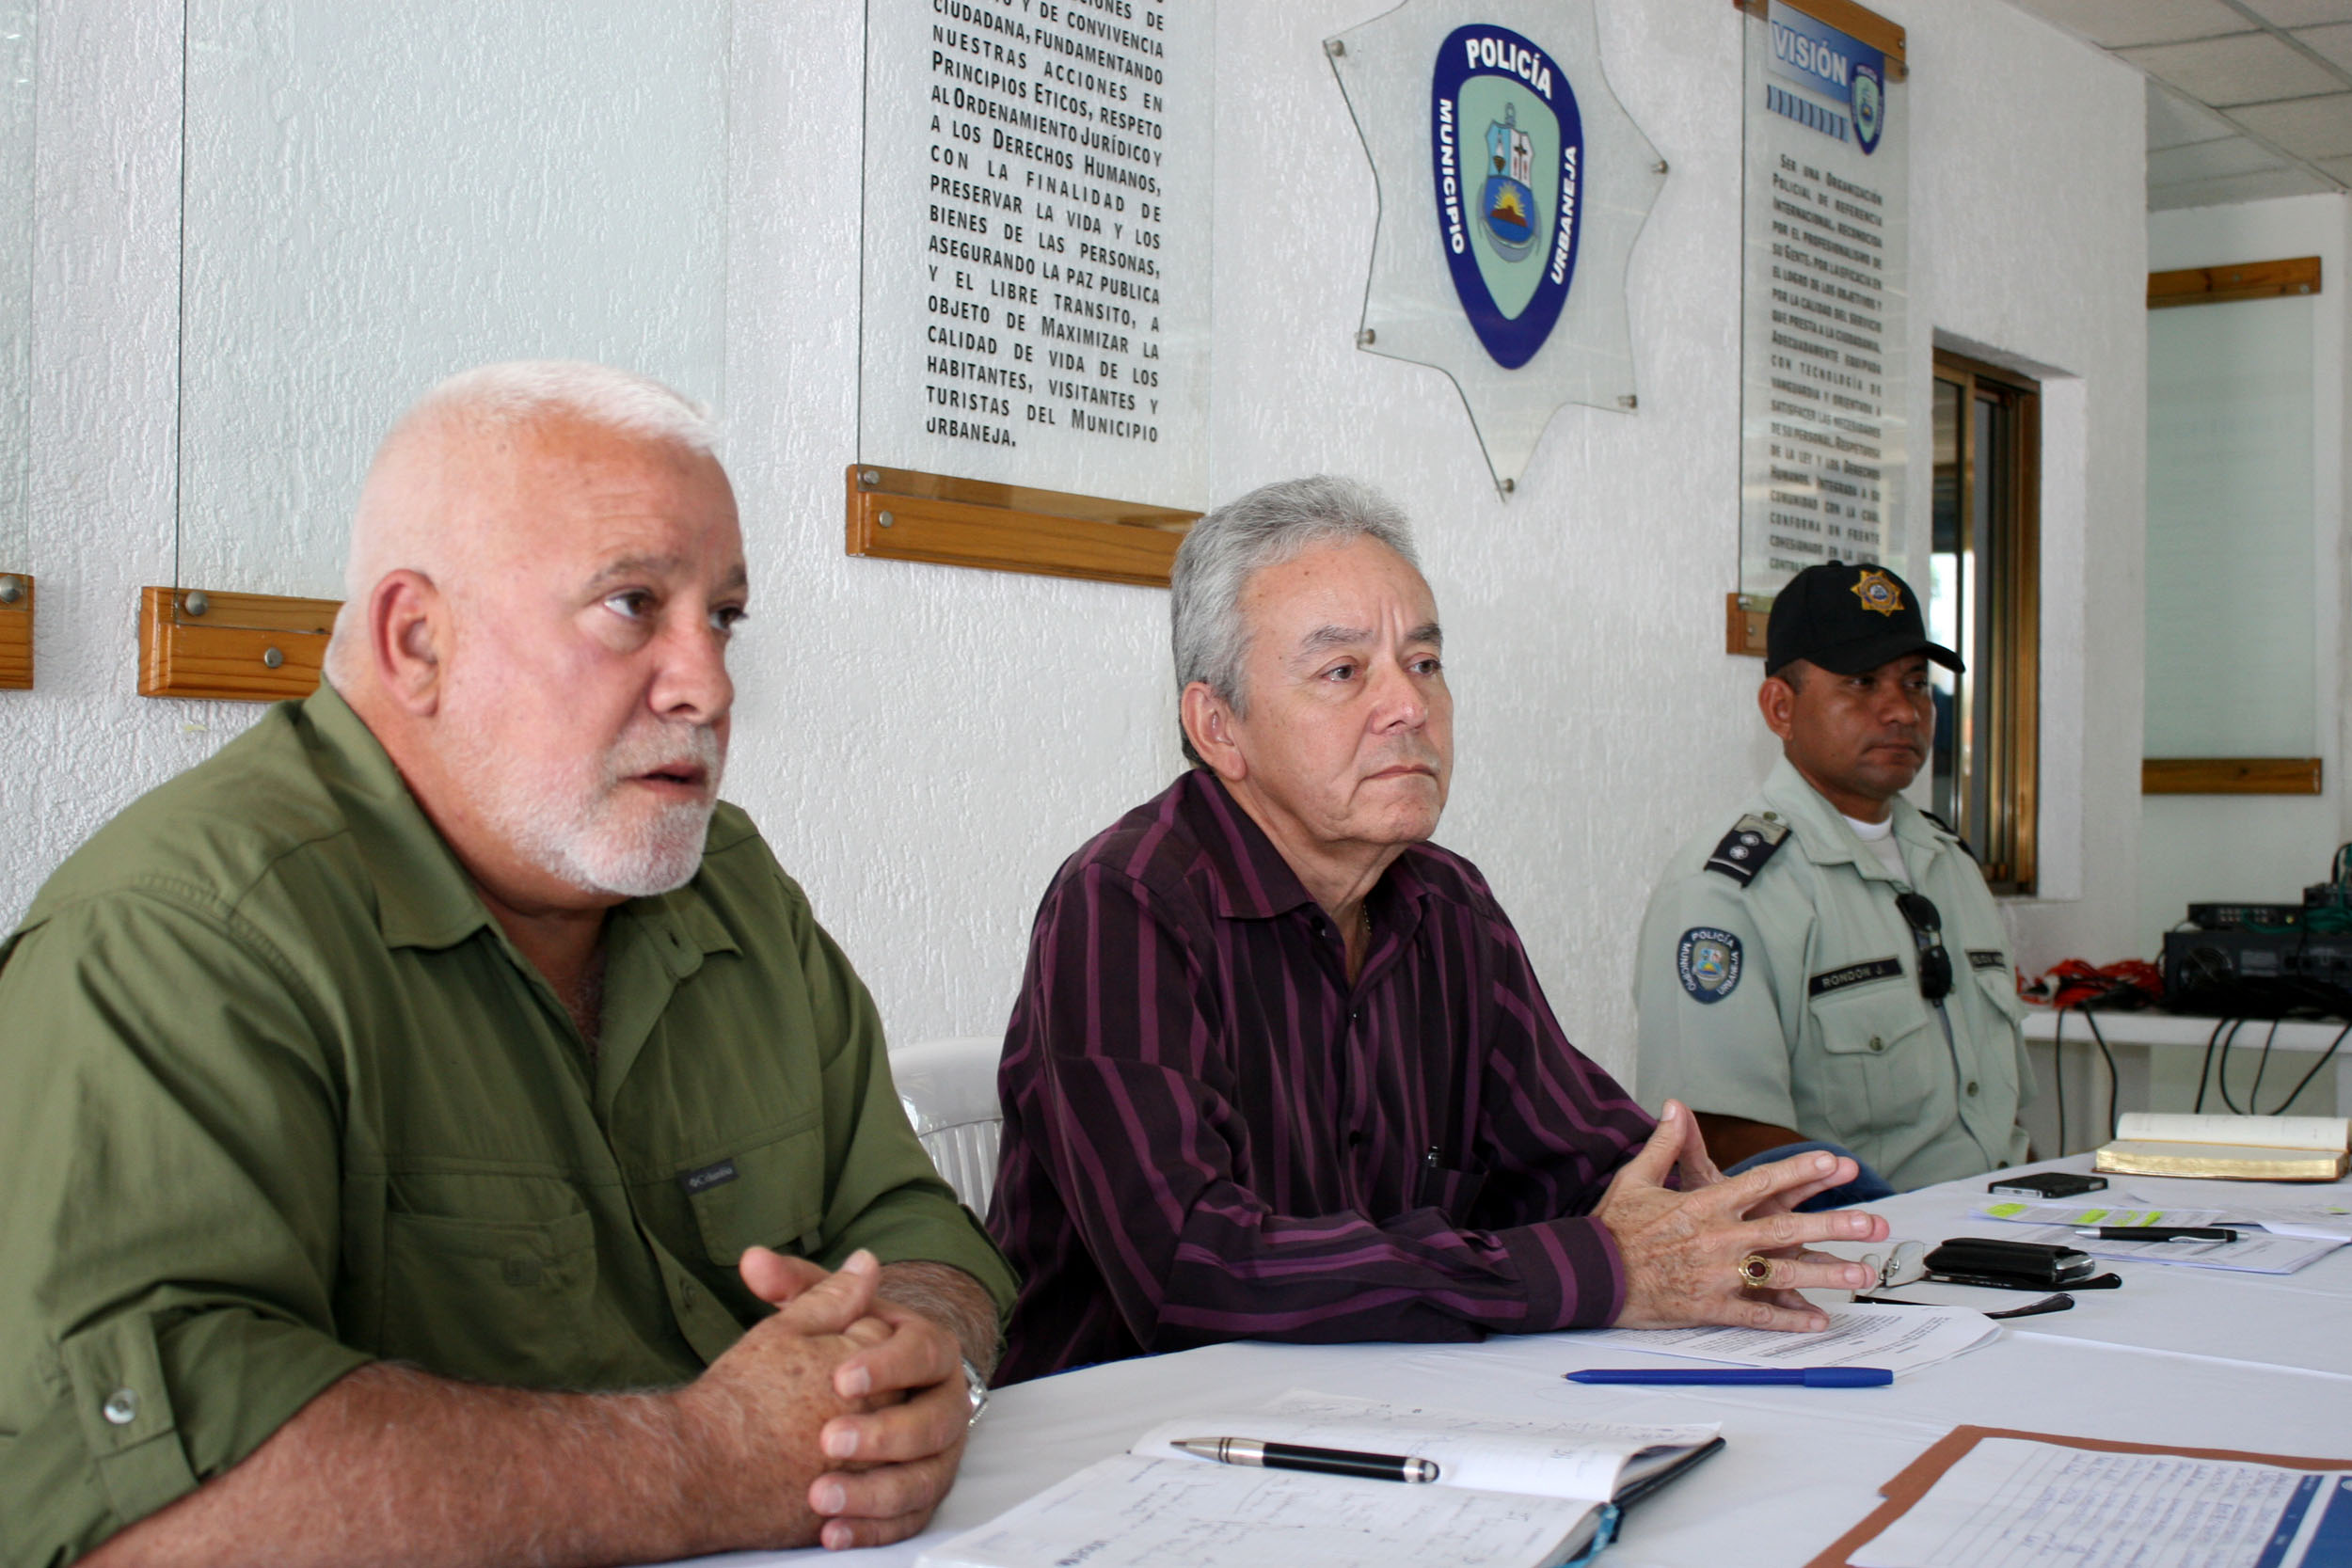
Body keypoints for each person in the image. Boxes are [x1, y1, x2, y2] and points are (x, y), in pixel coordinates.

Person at [0, 362, 1017, 1564]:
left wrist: (915, 1353)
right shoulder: (180, 938)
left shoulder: (728, 879)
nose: (708, 681)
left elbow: (903, 1209)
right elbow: (129, 1514)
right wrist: (702, 1461)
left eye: (724, 615)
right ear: (416, 640)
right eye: (634, 603)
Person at [985, 476, 1888, 1385]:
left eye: (1423, 663)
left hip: (1395, 1406)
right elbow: (1193, 1268)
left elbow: (1585, 1163)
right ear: (1218, 727)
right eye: (1343, 672)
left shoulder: (1447, 905)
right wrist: (1602, 1267)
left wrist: (1701, 1217)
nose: (1409, 707)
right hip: (1132, 1442)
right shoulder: (1124, 904)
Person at [1634, 560, 2033, 1196]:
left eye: (1916, 683)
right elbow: (1717, 1136)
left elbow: (1999, 1112)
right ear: (1780, 706)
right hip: (1864, 1255)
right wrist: (1881, 1227)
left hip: (2002, 1228)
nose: (1902, 710)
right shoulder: (1727, 892)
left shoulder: (1950, 866)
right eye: (1863, 682)